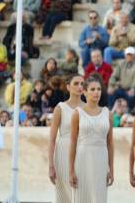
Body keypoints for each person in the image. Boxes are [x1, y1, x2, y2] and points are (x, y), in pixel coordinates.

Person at [69, 77, 114, 202]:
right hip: (82, 159)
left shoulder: (108, 113)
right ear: (85, 92)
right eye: (93, 89)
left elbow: (110, 143)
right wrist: (71, 170)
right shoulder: (77, 113)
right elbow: (72, 142)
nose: (96, 92)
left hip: (101, 160)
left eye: (99, 89)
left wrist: (111, 168)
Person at [48, 75, 84, 203]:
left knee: (82, 194)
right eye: (76, 83)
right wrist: (51, 165)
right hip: (63, 151)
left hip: (83, 152)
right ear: (68, 87)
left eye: (82, 83)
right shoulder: (60, 108)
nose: (80, 87)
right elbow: (52, 139)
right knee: (65, 196)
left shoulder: (88, 108)